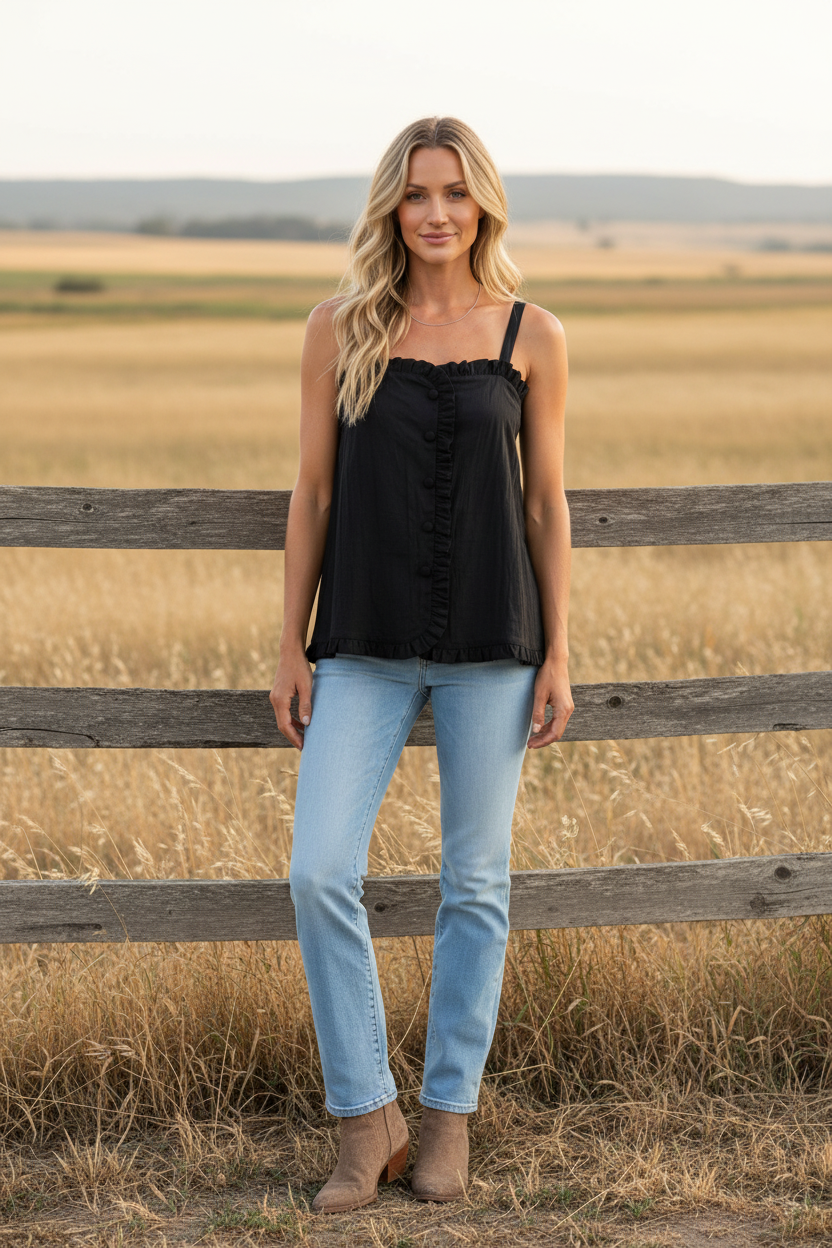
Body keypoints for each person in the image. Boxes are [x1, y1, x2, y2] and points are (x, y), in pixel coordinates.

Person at [270, 115, 573, 1215]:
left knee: (475, 887)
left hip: (496, 645)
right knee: (316, 871)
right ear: (390, 209)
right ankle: (367, 1118)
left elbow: (545, 502)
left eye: (452, 192)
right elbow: (311, 496)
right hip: (360, 646)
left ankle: (446, 1119)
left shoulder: (530, 333)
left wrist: (558, 655)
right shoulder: (339, 327)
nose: (434, 212)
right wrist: (290, 644)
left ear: (481, 203)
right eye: (414, 194)